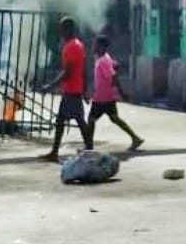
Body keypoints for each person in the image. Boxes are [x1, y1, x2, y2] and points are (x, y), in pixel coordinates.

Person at [40, 17, 92, 162]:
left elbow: (68, 72)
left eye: (62, 29)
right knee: (72, 120)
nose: (60, 32)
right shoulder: (78, 45)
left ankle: (57, 152)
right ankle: (88, 148)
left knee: (68, 121)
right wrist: (84, 89)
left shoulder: (71, 47)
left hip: (71, 90)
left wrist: (50, 86)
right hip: (75, 89)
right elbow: (84, 69)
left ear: (68, 29)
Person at [87, 36, 144, 151]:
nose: (93, 47)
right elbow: (115, 67)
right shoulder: (103, 58)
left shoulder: (103, 61)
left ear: (102, 47)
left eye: (96, 45)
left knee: (91, 119)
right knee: (114, 118)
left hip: (102, 98)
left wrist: (122, 93)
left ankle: (89, 146)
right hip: (106, 96)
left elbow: (113, 76)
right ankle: (135, 138)